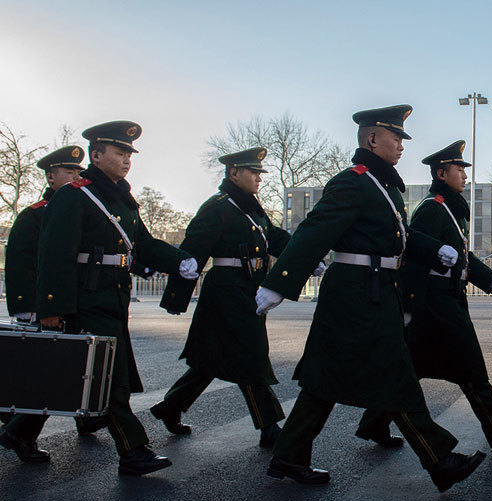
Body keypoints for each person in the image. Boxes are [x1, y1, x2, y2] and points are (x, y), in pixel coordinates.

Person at [255, 105, 486, 492]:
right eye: (396, 138)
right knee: (394, 373)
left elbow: (402, 238)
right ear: (373, 139)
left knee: (326, 379)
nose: (402, 145)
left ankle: (289, 455)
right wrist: (279, 281)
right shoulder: (354, 182)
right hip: (357, 293)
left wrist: (435, 250)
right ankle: (439, 459)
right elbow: (315, 231)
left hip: (375, 290)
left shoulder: (384, 186)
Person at [21, 121, 198, 476]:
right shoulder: (74, 195)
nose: (127, 159)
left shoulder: (123, 200)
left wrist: (179, 260)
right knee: (110, 378)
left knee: (76, 374)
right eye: (120, 152)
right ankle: (133, 450)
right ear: (97, 155)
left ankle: (17, 432)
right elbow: (54, 255)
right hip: (85, 299)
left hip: (114, 297)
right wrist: (52, 307)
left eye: (129, 154)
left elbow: (142, 244)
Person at [355, 140, 492, 455]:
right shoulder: (432, 208)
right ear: (441, 173)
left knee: (411, 370)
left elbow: (463, 257)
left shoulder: (449, 209)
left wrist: (490, 278)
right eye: (458, 170)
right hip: (435, 304)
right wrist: (408, 307)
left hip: (447, 300)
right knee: (472, 370)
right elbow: (413, 256)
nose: (464, 176)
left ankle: (374, 423)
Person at [152, 147, 320, 448]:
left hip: (247, 288)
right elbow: (193, 250)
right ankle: (269, 426)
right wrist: (176, 297)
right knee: (249, 355)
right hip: (225, 291)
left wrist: (304, 256)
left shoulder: (251, 207)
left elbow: (274, 238)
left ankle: (170, 407)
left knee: (211, 360)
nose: (259, 178)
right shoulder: (217, 207)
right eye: (253, 172)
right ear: (234, 173)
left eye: (259, 173)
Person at [1, 146, 104, 435]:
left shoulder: (79, 208)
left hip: (71, 301)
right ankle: (19, 429)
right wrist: (32, 306)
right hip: (42, 304)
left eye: (78, 172)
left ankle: (82, 417)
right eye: (69, 172)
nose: (76, 177)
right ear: (50, 177)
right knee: (46, 368)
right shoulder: (35, 215)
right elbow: (24, 264)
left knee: (74, 362)